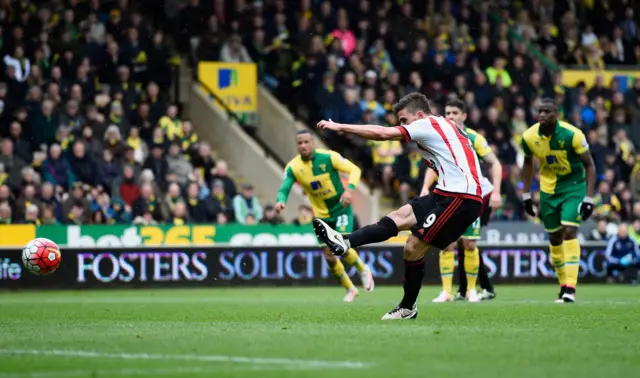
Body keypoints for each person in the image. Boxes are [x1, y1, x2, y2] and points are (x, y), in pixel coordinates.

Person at [315, 93, 484, 320]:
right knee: (400, 216)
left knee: (413, 247)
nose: (401, 126)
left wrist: (340, 127)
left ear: (421, 115)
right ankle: (344, 241)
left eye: (404, 120)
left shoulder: (427, 124)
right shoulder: (443, 126)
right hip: (445, 192)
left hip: (462, 197)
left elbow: (384, 134)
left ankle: (407, 307)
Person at [275, 130, 374, 302]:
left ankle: (363, 269)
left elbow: (355, 170)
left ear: (313, 143)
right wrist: (280, 200)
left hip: (341, 209)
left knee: (340, 246)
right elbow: (285, 187)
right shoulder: (293, 167)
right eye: (300, 143)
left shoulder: (329, 157)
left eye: (307, 142)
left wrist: (350, 190)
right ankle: (350, 289)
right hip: (320, 215)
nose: (303, 146)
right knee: (329, 256)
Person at [422, 100, 501, 303]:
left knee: (470, 243)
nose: (450, 116)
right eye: (447, 112)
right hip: (448, 195)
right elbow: (433, 166)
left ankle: (471, 291)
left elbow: (495, 163)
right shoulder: (439, 137)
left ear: (464, 115)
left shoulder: (473, 138)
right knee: (447, 244)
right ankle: (447, 292)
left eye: (455, 112)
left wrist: (497, 192)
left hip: (474, 196)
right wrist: (424, 188)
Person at [521, 98, 596, 303]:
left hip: (574, 187)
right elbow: (527, 164)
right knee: (554, 238)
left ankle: (570, 288)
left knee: (570, 230)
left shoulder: (573, 135)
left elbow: (590, 165)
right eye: (540, 111)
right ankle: (563, 286)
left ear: (557, 114)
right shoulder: (528, 136)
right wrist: (526, 194)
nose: (542, 115)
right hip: (548, 190)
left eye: (547, 111)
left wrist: (589, 197)